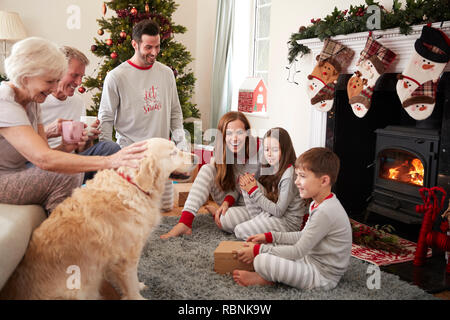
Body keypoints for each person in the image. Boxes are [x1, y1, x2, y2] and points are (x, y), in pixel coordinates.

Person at [0, 37, 147, 215]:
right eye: (49, 82)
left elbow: (46, 154)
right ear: (25, 78)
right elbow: (43, 159)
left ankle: (81, 224)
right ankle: (62, 234)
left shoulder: (34, 101)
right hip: (4, 179)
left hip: (19, 172)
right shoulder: (5, 100)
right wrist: (110, 161)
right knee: (66, 174)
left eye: (56, 80)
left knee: (71, 170)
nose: (54, 87)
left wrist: (67, 147)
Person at [232, 147, 352, 291]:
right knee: (272, 248)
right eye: (296, 176)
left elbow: (298, 251)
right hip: (308, 258)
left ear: (324, 180)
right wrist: (270, 237)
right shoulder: (317, 203)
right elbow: (302, 235)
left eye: (302, 176)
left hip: (321, 276)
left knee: (261, 260)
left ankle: (267, 278)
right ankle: (273, 274)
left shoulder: (326, 212)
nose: (296, 182)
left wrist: (258, 250)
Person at [98, 19, 186, 211]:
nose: (154, 53)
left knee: (163, 210)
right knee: (132, 211)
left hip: (161, 157)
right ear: (134, 44)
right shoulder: (116, 76)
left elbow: (175, 112)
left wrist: (181, 143)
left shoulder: (166, 74)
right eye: (148, 47)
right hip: (131, 157)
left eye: (157, 47)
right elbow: (105, 118)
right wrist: (108, 156)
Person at [160, 111, 261, 239]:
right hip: (231, 197)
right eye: (229, 133)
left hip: (252, 206)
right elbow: (233, 187)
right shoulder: (223, 149)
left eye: (239, 133)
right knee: (208, 169)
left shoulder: (260, 151)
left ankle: (218, 214)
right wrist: (226, 203)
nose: (234, 138)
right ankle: (185, 222)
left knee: (226, 219)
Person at [40, 46, 121, 182]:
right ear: (58, 70)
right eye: (74, 75)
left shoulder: (77, 102)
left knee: (110, 147)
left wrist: (87, 139)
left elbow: (81, 151)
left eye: (81, 77)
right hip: (44, 163)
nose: (79, 83)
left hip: (72, 161)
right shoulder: (38, 99)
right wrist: (47, 132)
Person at [219, 127, 308, 240]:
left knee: (239, 230)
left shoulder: (289, 175)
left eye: (275, 150)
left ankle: (267, 233)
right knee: (225, 218)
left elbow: (279, 211)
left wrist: (253, 191)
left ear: (285, 150)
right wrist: (247, 185)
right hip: (268, 214)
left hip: (287, 223)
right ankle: (257, 224)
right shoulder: (270, 166)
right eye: (266, 149)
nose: (269, 154)